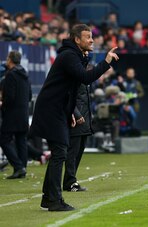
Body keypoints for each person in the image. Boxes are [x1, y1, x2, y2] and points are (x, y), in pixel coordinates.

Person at [30, 24, 119, 212]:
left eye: (91, 37)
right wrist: (106, 62)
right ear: (77, 40)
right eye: (88, 37)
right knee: (60, 153)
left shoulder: (74, 55)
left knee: (59, 152)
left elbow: (69, 87)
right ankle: (54, 200)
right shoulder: (69, 56)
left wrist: (69, 111)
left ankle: (49, 198)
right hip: (51, 110)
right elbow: (85, 79)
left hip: (58, 109)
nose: (92, 40)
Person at [0, 50, 32, 179]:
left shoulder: (11, 75)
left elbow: (10, 97)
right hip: (23, 113)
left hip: (12, 114)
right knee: (21, 141)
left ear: (10, 60)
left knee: (4, 140)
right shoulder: (25, 75)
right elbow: (29, 96)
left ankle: (18, 167)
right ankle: (22, 168)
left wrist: (2, 103)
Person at [63, 63, 93, 192]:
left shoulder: (84, 82)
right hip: (77, 120)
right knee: (72, 152)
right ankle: (69, 181)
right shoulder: (74, 79)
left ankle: (70, 180)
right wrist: (76, 113)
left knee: (79, 152)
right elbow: (68, 97)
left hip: (85, 121)